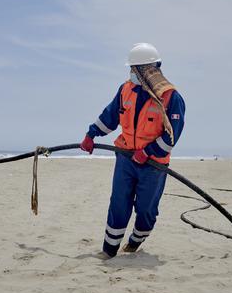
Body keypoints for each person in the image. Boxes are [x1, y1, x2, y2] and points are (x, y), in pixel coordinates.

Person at [80, 43, 186, 257]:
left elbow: (171, 137)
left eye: (133, 69)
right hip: (126, 158)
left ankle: (135, 241)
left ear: (148, 70)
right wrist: (91, 135)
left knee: (146, 210)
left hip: (153, 166)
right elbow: (110, 116)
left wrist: (148, 152)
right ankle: (109, 250)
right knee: (119, 202)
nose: (131, 74)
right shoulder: (125, 89)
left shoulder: (171, 98)